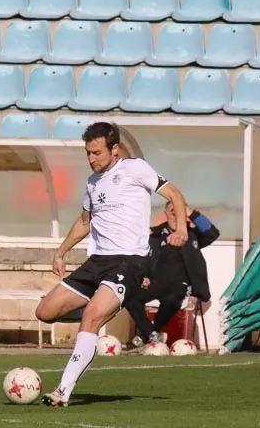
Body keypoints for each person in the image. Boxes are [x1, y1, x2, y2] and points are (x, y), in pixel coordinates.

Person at [35, 121, 189, 407]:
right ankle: (101, 310)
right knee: (45, 312)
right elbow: (85, 223)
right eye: (88, 153)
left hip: (129, 262)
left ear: (114, 149)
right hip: (97, 262)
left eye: (97, 153)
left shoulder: (135, 169)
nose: (91, 159)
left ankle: (63, 391)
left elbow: (175, 195)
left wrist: (181, 229)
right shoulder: (92, 183)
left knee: (91, 317)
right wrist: (60, 252)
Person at [126, 202, 220, 348]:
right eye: (172, 212)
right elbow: (139, 257)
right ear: (166, 214)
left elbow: (212, 233)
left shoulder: (192, 234)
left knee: (171, 299)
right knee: (129, 296)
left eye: (179, 212)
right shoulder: (155, 235)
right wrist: (142, 276)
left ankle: (148, 334)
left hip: (180, 286)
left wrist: (192, 213)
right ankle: (152, 333)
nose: (176, 215)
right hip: (155, 284)